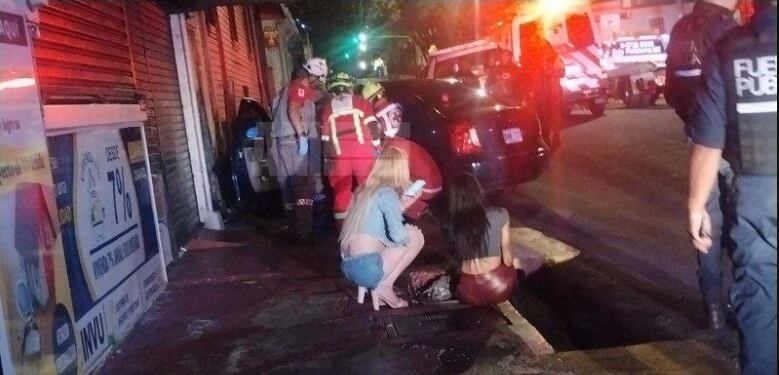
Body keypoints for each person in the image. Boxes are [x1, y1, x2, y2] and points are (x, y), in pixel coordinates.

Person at [687, 1, 776, 373]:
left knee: (759, 302)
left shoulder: (730, 49)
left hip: (759, 193)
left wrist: (696, 205)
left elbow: (708, 143)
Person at [666, 0, 740, 330]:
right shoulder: (729, 30)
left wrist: (693, 122)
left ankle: (713, 310)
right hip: (731, 145)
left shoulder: (681, 30)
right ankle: (743, 302)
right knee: (742, 223)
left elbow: (671, 90)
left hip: (698, 141)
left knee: (705, 227)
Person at [339, 146, 425, 310]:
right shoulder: (387, 193)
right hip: (367, 268)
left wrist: (405, 204)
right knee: (414, 235)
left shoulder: (363, 190)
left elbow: (375, 219)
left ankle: (380, 286)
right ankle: (384, 285)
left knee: (405, 235)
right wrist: (408, 232)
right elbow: (398, 236)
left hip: (349, 266)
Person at [362, 82, 443, 220]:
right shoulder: (397, 107)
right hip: (434, 180)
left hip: (427, 186)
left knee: (390, 184)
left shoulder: (378, 122)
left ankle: (419, 212)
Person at [439, 174, 519, 306]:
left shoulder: (449, 223)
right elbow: (508, 260)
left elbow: (455, 261)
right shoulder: (500, 214)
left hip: (466, 291)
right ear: (478, 191)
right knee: (511, 268)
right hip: (496, 288)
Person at [270, 58, 328, 240]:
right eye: (317, 80)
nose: (317, 85)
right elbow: (293, 110)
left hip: (281, 142)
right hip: (294, 142)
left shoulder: (284, 91)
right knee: (303, 186)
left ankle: (293, 226)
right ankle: (304, 231)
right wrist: (302, 136)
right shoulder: (299, 87)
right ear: (311, 77)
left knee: (287, 186)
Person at [321, 73, 381, 228]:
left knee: (341, 194)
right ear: (350, 87)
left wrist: (329, 159)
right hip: (362, 152)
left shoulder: (327, 108)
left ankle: (344, 234)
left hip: (339, 155)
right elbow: (372, 126)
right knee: (369, 188)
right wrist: (377, 145)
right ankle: (373, 226)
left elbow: (326, 138)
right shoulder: (361, 102)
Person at [520, 22, 565, 151]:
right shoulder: (532, 51)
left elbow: (561, 71)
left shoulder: (550, 53)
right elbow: (528, 72)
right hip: (542, 91)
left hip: (550, 90)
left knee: (551, 115)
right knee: (544, 116)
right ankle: (548, 140)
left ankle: (553, 138)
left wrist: (552, 70)